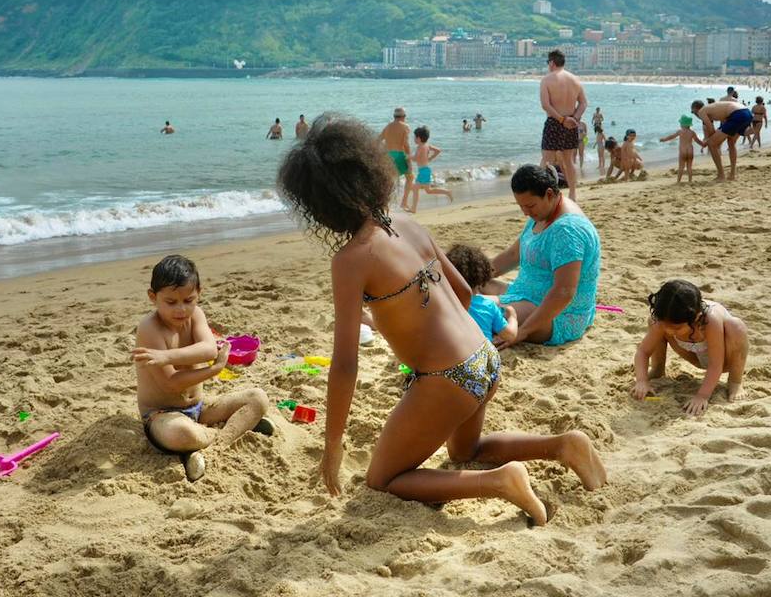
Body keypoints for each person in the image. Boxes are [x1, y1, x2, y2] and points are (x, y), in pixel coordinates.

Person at [276, 117, 606, 524]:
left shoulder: (350, 260)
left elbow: (345, 364)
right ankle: (563, 445)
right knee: (464, 452)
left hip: (448, 377)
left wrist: (333, 444)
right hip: (484, 356)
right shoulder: (406, 222)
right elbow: (466, 293)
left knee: (384, 478)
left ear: (320, 204)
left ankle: (502, 481)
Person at [131, 255, 271, 482]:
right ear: (153, 297)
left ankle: (213, 448)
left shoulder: (196, 315)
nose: (181, 309)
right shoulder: (149, 329)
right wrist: (213, 370)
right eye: (171, 302)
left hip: (200, 407)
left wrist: (167, 356)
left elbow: (208, 350)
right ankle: (229, 432)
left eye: (189, 300)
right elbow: (171, 383)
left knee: (258, 398)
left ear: (199, 294)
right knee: (181, 433)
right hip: (163, 415)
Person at [490, 164, 601, 347]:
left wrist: (522, 333)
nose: (525, 212)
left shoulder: (567, 230)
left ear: (549, 194)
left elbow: (564, 292)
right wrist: (470, 277)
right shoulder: (543, 213)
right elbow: (513, 255)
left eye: (530, 205)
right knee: (470, 284)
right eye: (521, 206)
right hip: (525, 292)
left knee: (479, 310)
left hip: (557, 313)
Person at [631, 279, 749, 415]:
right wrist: (641, 381)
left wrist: (702, 396)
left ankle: (735, 382)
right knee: (654, 323)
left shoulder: (710, 320)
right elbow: (643, 352)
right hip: (692, 354)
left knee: (737, 327)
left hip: (724, 359)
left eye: (677, 328)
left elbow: (716, 364)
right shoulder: (663, 321)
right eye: (667, 326)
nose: (669, 331)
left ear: (696, 317)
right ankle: (657, 369)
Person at [446, 244, 519, 349]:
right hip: (479, 360)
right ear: (484, 277)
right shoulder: (488, 305)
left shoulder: (444, 304)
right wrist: (513, 317)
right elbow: (509, 335)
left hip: (451, 357)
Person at [539, 50, 587, 201]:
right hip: (571, 122)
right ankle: (572, 194)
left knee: (546, 160)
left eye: (548, 63)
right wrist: (575, 118)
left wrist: (561, 119)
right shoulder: (575, 79)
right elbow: (584, 103)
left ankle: (540, 193)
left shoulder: (547, 80)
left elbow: (546, 105)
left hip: (555, 122)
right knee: (569, 161)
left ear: (552, 63)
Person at [697, 97, 751, 181]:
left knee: (712, 144)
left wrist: (709, 141)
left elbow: (711, 129)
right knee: (731, 142)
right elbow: (725, 123)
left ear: (695, 109)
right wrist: (716, 138)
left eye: (692, 112)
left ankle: (721, 175)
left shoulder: (701, 111)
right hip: (746, 112)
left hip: (737, 114)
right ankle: (732, 175)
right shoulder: (714, 108)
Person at [409, 125, 453, 212]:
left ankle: (413, 208)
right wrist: (431, 158)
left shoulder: (420, 147)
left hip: (423, 171)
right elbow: (438, 150)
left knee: (415, 189)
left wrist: (408, 157)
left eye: (414, 137)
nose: (414, 139)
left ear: (419, 138)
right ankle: (447, 192)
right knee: (428, 191)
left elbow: (416, 158)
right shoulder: (427, 145)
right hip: (425, 170)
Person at [379, 107, 416, 212]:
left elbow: (378, 140)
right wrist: (409, 157)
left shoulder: (387, 126)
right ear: (404, 117)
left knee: (389, 180)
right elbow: (405, 144)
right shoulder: (405, 126)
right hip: (400, 154)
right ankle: (404, 202)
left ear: (394, 116)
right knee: (410, 177)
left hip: (388, 155)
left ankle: (384, 204)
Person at [659, 115, 704, 183]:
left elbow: (672, 137)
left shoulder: (680, 131)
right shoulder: (692, 132)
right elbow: (697, 141)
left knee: (681, 167)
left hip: (682, 151)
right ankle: (690, 180)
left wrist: (664, 139)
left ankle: (678, 181)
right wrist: (703, 144)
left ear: (682, 124)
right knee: (689, 167)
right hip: (690, 151)